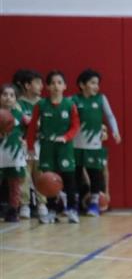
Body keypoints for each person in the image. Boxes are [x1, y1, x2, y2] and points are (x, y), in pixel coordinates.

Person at [26, 70, 81, 224]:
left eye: (59, 82)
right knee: (48, 180)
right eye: (52, 83)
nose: (56, 86)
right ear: (47, 87)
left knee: (69, 179)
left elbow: (75, 126)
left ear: (65, 86)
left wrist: (66, 137)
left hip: (65, 147)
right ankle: (51, 211)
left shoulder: (70, 105)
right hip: (47, 146)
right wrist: (30, 147)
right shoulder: (41, 105)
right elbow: (31, 129)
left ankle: (71, 210)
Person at [72, 69, 121, 216]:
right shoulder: (73, 100)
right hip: (75, 145)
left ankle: (94, 204)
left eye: (97, 83)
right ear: (82, 84)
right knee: (75, 176)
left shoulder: (101, 99)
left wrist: (115, 131)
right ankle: (73, 204)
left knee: (96, 175)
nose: (96, 86)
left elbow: (110, 116)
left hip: (94, 146)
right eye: (93, 83)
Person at [11, 69, 43, 219]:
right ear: (27, 85)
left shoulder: (43, 104)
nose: (41, 86)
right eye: (37, 83)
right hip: (24, 144)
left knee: (40, 173)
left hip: (41, 143)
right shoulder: (18, 104)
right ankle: (25, 205)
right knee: (24, 174)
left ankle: (42, 203)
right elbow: (17, 124)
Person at [0, 84, 27, 222]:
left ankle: (13, 210)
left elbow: (32, 127)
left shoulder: (20, 115)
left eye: (12, 95)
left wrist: (25, 140)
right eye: (5, 94)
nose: (8, 98)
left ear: (16, 99)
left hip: (14, 154)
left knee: (14, 184)